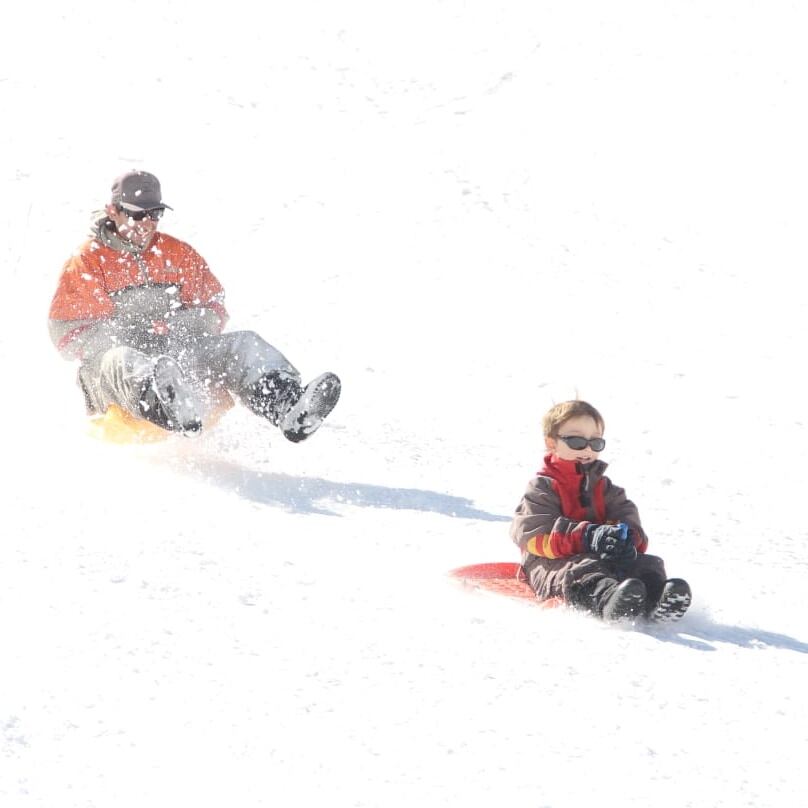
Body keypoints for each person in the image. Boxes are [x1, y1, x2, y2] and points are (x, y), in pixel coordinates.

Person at [48, 170, 340, 441]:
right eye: (138, 216)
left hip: (174, 358)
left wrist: (177, 327)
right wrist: (132, 333)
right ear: (114, 211)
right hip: (112, 384)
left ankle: (285, 404)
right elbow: (67, 335)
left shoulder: (176, 254)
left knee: (243, 343)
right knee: (121, 357)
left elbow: (213, 308)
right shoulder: (89, 261)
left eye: (155, 214)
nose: (147, 223)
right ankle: (166, 403)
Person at [510, 400, 691, 622]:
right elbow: (534, 533)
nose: (587, 449)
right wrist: (587, 536)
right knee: (583, 570)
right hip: (550, 564)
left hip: (600, 557)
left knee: (646, 563)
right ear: (552, 443)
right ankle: (609, 602)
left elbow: (627, 516)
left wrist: (624, 539)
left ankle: (656, 598)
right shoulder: (542, 487)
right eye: (576, 441)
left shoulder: (605, 488)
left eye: (595, 443)